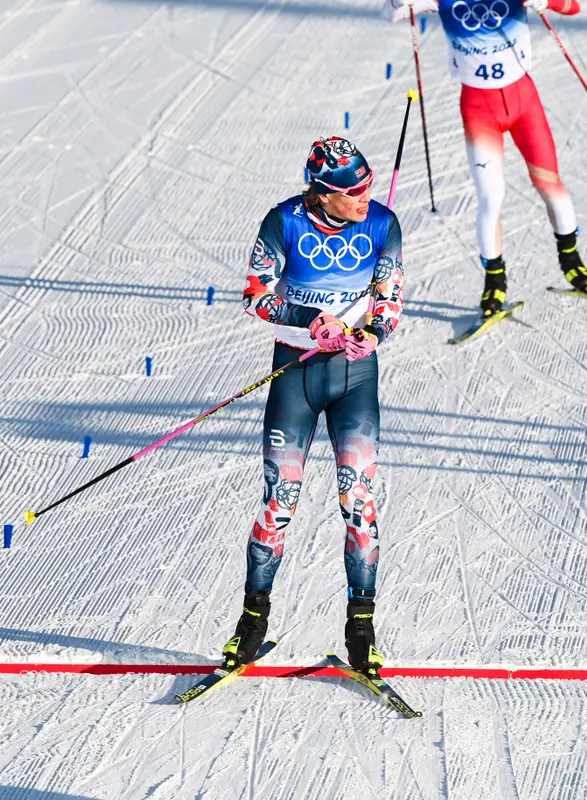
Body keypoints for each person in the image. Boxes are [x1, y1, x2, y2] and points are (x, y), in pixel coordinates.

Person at [223, 136, 405, 679]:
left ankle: (361, 633)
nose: (363, 199)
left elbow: (390, 299)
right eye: (352, 192)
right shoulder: (283, 222)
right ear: (322, 194)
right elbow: (257, 293)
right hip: (296, 374)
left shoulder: (382, 224)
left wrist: (371, 332)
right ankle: (252, 622)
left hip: (354, 380)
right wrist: (310, 321)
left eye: (367, 186)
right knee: (279, 503)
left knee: (359, 502)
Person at [383, 0, 587, 318]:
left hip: (524, 105)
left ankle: (571, 259)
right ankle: (495, 280)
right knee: (491, 197)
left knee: (549, 184)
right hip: (480, 111)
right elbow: (390, 13)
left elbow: (574, 7)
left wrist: (547, 1)